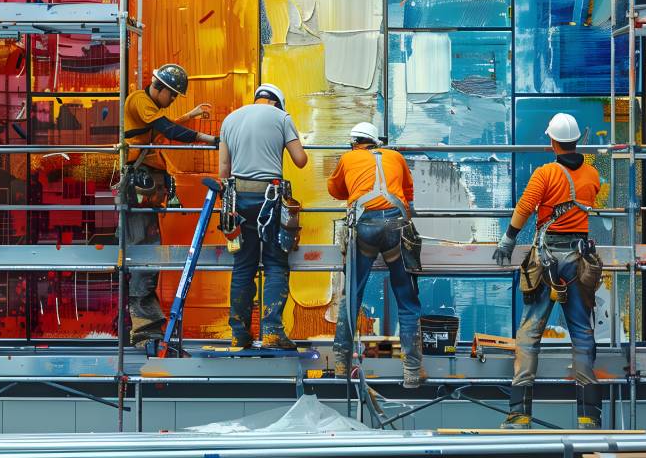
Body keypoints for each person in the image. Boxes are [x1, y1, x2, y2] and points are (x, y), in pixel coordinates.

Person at [494, 112, 602, 430]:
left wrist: (507, 241)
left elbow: (526, 207)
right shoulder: (593, 174)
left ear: (552, 141)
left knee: (529, 334)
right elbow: (588, 199)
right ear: (576, 140)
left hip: (548, 259)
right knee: (582, 334)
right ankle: (588, 417)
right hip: (580, 260)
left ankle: (519, 414)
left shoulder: (545, 174)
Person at [122, 63, 217, 349]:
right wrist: (208, 139)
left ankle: (147, 326)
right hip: (138, 184)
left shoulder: (149, 108)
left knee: (149, 248)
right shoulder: (139, 100)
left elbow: (161, 130)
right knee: (144, 251)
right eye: (172, 95)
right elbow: (166, 129)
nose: (173, 100)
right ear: (159, 88)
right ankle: (143, 329)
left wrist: (189, 116)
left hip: (146, 185)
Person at [327, 122, 424, 389]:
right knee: (406, 298)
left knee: (352, 295)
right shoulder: (395, 157)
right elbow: (409, 191)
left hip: (365, 227)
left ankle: (341, 365)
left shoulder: (348, 158)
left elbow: (334, 190)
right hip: (397, 225)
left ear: (354, 142)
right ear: (375, 143)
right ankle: (412, 371)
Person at [218, 83, 308, 350]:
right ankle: (271, 331)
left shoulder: (230, 119)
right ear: (278, 103)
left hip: (239, 199)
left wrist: (228, 204)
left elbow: (224, 168)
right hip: (270, 199)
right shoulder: (281, 118)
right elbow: (300, 159)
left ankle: (239, 333)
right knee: (275, 264)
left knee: (243, 266)